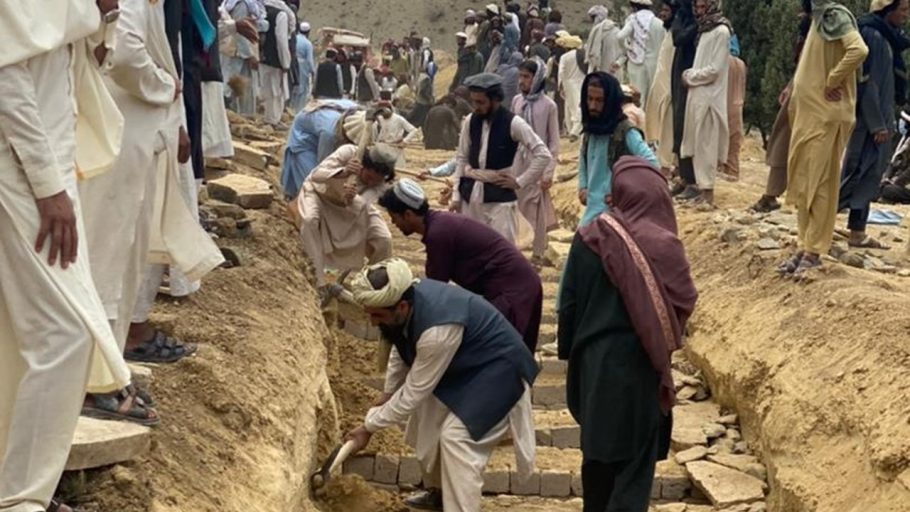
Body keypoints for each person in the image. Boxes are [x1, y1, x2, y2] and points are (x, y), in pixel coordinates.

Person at [0, 2, 136, 510]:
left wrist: (103, 15)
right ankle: (22, 499)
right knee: (66, 333)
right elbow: (6, 80)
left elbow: (86, 63)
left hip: (49, 174)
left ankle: (17, 486)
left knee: (24, 336)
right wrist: (46, 186)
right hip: (22, 175)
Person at [558, 156, 698, 512]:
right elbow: (683, 302)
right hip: (641, 368)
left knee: (597, 462)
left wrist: (570, 355)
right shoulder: (667, 246)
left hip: (594, 365)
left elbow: (568, 303)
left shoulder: (590, 237)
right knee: (634, 469)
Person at [344, 258, 537, 512]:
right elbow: (400, 348)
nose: (372, 322)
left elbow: (413, 394)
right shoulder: (406, 307)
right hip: (465, 368)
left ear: (401, 307)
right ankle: (439, 493)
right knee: (428, 423)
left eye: (377, 315)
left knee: (456, 438)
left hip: (500, 372)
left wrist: (368, 426)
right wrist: (388, 392)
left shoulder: (437, 330)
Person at [379, 180, 544, 352]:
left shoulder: (438, 233)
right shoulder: (440, 224)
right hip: (517, 285)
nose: (393, 223)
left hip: (513, 289)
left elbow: (435, 289)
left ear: (407, 214)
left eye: (394, 217)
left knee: (500, 352)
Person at [781, 0, 868, 275]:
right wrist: (793, 87)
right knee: (804, 179)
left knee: (820, 181)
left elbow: (858, 50)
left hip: (825, 114)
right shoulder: (818, 18)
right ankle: (803, 243)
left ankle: (814, 249)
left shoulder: (835, 15)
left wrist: (833, 80)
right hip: (809, 114)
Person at [839, 0, 910, 249]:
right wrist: (877, 124)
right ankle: (817, 228)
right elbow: (867, 83)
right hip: (870, 122)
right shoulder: (873, 35)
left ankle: (857, 232)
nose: (906, 15)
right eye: (903, 9)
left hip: (880, 118)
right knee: (856, 174)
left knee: (869, 177)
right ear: (887, 9)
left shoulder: (887, 37)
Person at [452, 73, 553, 243]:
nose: (476, 107)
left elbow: (543, 154)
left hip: (500, 201)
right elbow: (462, 158)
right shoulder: (470, 121)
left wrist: (520, 182)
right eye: (473, 101)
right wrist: (456, 196)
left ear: (495, 100)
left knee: (501, 249)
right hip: (470, 196)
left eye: (481, 102)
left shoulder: (513, 123)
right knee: (471, 250)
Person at [294, 141, 397, 296]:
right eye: (368, 177)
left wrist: (350, 197)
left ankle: (373, 287)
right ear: (364, 166)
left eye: (375, 181)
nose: (370, 182)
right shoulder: (348, 152)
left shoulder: (383, 185)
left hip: (351, 208)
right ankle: (320, 283)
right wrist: (344, 172)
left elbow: (363, 204)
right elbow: (317, 175)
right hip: (319, 195)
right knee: (309, 220)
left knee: (384, 239)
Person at [751, 0, 815, 213]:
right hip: (802, 92)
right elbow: (802, 65)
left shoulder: (823, 32)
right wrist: (791, 85)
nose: (799, 17)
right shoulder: (808, 34)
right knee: (783, 141)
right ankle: (772, 193)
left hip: (815, 97)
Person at [577, 72, 658, 227]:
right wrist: (583, 187)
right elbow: (583, 158)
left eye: (599, 101)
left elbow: (652, 165)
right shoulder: (590, 130)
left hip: (616, 217)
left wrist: (626, 194)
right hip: (592, 213)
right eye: (590, 99)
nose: (593, 106)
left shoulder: (625, 132)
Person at [679, 0, 732, 208]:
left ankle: (708, 194)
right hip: (697, 96)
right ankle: (702, 192)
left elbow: (715, 70)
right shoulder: (705, 31)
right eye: (698, 7)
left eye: (703, 7)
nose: (699, 12)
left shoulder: (721, 31)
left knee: (706, 146)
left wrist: (690, 76)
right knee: (697, 144)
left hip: (710, 98)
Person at [512, 58, 560, 263]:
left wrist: (548, 172)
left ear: (537, 78)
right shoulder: (517, 101)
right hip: (517, 161)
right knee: (514, 204)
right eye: (520, 76)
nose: (521, 81)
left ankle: (537, 252)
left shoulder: (549, 105)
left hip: (538, 162)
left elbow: (554, 141)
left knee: (536, 207)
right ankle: (516, 250)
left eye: (526, 77)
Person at [280, 99, 359, 199]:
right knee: (312, 184)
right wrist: (343, 173)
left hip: (319, 124)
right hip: (304, 136)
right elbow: (324, 166)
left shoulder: (357, 114)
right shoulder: (329, 134)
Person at [670, 0, 700, 199]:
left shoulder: (710, 24)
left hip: (697, 77)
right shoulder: (685, 16)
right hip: (683, 74)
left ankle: (693, 181)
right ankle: (685, 177)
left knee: (692, 129)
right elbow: (678, 37)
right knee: (680, 127)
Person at [645, 2, 677, 176]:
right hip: (661, 84)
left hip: (670, 88)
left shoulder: (677, 34)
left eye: (666, 10)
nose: (662, 14)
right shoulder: (668, 32)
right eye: (662, 10)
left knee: (668, 127)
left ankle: (666, 167)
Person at [221, 0, 268, 116]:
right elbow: (239, 32)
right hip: (237, 54)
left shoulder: (251, 5)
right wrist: (249, 55)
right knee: (233, 88)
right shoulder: (242, 4)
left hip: (240, 52)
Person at [617, 0, 666, 109]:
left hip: (636, 64)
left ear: (634, 7)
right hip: (655, 63)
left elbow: (620, 37)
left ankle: (638, 118)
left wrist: (627, 48)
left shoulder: (633, 21)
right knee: (652, 96)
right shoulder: (659, 23)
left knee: (637, 96)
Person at [260, 0, 293, 128]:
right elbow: (281, 40)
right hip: (275, 60)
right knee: (275, 92)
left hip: (261, 58)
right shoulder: (281, 15)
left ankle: (267, 118)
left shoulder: (261, 11)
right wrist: (285, 62)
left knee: (265, 89)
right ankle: (273, 120)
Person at [723, 35, 748, 181]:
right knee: (734, 146)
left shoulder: (724, 62)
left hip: (724, 106)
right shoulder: (741, 64)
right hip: (737, 107)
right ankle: (733, 173)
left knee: (721, 143)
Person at [557, 32, 587, 139]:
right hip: (582, 81)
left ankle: (574, 130)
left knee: (571, 107)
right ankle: (577, 129)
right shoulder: (582, 55)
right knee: (580, 105)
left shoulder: (564, 57)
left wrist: (560, 86)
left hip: (569, 83)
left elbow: (561, 72)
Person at [586, 5, 623, 77]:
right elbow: (625, 53)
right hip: (616, 70)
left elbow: (594, 55)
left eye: (592, 18)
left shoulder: (597, 32)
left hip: (602, 71)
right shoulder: (617, 30)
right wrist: (618, 63)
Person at [291, 22, 315, 112]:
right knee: (301, 90)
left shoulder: (294, 39)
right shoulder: (308, 44)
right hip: (302, 67)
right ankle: (298, 110)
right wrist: (313, 71)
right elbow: (309, 60)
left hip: (292, 64)